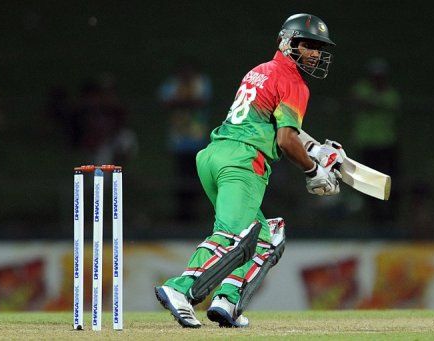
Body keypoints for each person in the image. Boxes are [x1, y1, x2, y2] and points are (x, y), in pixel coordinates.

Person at [154, 13, 342, 328]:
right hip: (242, 164)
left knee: (266, 240)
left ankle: (227, 302)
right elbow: (284, 139)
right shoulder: (295, 83)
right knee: (232, 236)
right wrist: (313, 171)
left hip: (214, 155)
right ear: (287, 42)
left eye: (319, 48)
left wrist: (316, 150)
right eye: (308, 45)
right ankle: (180, 289)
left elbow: (274, 125)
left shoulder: (260, 71)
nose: (315, 53)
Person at [156, 62, 212, 222]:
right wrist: (189, 102)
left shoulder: (201, 82)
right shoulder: (173, 83)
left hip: (198, 139)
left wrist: (179, 102)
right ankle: (181, 215)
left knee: (197, 178)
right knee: (180, 177)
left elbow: (202, 101)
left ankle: (196, 215)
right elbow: (164, 101)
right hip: (178, 140)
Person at [349, 58, 401, 223]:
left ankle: (391, 215)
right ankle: (373, 215)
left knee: (390, 180)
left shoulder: (391, 94)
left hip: (387, 143)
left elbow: (368, 104)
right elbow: (357, 100)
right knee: (368, 180)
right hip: (367, 143)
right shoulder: (362, 88)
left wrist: (371, 103)